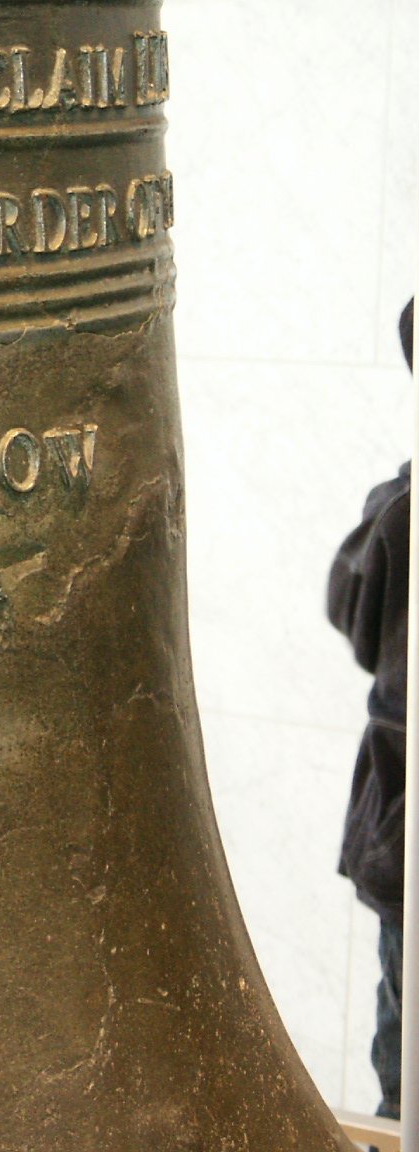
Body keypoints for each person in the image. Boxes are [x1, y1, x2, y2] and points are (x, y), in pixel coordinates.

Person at [329, 295, 416, 1119]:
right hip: (402, 824)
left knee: (404, 1058)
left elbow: (351, 614)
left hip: (404, 826)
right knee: (402, 1061)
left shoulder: (401, 508)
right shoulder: (402, 510)